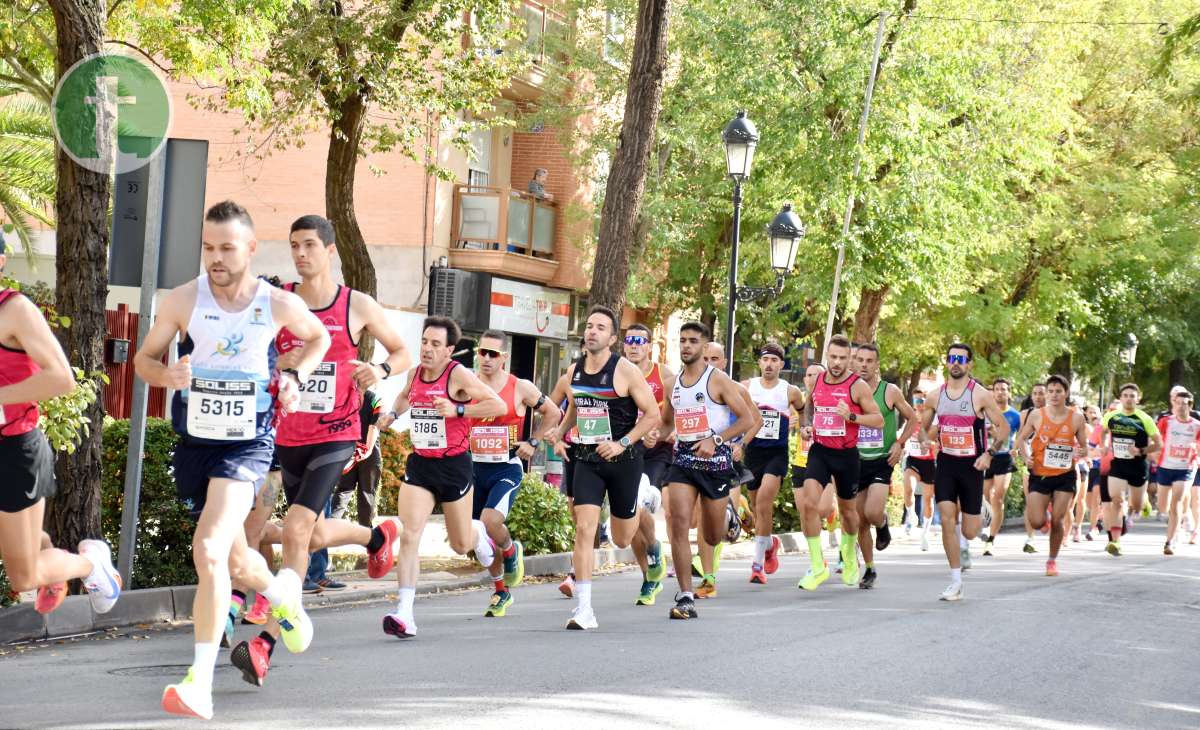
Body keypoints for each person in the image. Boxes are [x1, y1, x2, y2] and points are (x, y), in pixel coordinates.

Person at [133, 201, 330, 719]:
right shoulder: (182, 300)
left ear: (249, 248)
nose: (215, 258)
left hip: (249, 442)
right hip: (198, 442)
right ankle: (283, 595)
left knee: (210, 549)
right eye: (208, 248)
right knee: (238, 561)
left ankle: (200, 681)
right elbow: (143, 360)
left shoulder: (273, 303)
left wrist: (295, 377)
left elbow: (320, 337)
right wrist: (165, 376)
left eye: (226, 248)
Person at [229, 215, 411, 686]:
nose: (300, 254)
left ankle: (266, 642)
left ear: (329, 250)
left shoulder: (357, 304)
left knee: (295, 528)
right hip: (282, 435)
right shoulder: (280, 301)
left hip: (335, 434)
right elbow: (248, 351)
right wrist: (278, 360)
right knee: (277, 532)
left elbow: (401, 351)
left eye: (309, 245)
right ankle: (375, 538)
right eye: (294, 246)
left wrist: (382, 371)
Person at [376, 316, 506, 638]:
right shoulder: (415, 373)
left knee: (461, 545)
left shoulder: (458, 375)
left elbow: (497, 403)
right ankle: (404, 613)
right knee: (410, 534)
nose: (427, 349)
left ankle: (479, 534)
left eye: (436, 344)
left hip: (454, 465)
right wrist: (393, 414)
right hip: (421, 463)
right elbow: (407, 395)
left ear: (449, 350)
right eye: (424, 342)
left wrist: (457, 410)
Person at [0, 278, 122, 620]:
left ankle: (90, 564)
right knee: (20, 546)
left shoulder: (15, 310)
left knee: (21, 575)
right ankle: (48, 564)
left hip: (14, 452)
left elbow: (61, 378)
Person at [548, 306, 660, 630]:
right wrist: (560, 431)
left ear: (612, 338)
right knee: (585, 529)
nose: (592, 331)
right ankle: (584, 610)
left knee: (622, 539)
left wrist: (623, 443)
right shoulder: (574, 372)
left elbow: (651, 414)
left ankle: (641, 497)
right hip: (587, 458)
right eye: (589, 326)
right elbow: (576, 406)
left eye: (600, 328)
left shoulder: (624, 371)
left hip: (623, 461)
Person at [659, 322, 757, 619]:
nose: (686, 346)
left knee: (713, 536)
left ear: (704, 347)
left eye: (693, 341)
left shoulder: (718, 381)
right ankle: (686, 595)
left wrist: (715, 440)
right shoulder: (671, 384)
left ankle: (727, 514)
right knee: (678, 522)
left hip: (715, 463)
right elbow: (667, 421)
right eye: (683, 340)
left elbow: (746, 419)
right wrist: (656, 434)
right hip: (684, 460)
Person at [469, 329, 561, 616]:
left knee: (491, 520)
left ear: (503, 358)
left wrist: (533, 442)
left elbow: (554, 412)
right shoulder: (467, 384)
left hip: (506, 466)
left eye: (492, 354)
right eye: (481, 352)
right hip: (472, 466)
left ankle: (510, 549)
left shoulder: (519, 386)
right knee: (476, 538)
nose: (485, 358)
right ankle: (500, 591)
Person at [919, 342, 1010, 602]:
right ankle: (956, 581)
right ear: (946, 363)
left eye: (961, 359)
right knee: (947, 518)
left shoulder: (980, 395)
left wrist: (989, 454)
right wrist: (925, 438)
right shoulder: (935, 396)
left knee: (970, 531)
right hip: (946, 463)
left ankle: (981, 510)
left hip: (972, 466)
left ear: (969, 364)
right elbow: (923, 427)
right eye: (952, 358)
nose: (956, 363)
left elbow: (1003, 428)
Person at [797, 335, 883, 592]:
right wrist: (806, 426)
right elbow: (809, 406)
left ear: (850, 359)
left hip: (846, 456)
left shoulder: (857, 386)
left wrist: (852, 416)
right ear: (827, 356)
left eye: (842, 358)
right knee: (809, 505)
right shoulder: (818, 380)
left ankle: (848, 558)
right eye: (832, 357)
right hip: (820, 451)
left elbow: (877, 419)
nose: (836, 362)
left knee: (848, 512)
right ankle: (818, 566)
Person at [853, 343, 919, 588]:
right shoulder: (848, 390)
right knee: (860, 520)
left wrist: (900, 443)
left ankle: (882, 524)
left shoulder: (889, 391)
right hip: (856, 460)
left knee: (871, 513)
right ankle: (869, 569)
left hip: (882, 460)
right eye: (860, 360)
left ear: (877, 364)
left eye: (869, 361)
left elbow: (913, 418)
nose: (864, 365)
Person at [1013, 375, 1089, 576]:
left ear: (1066, 393)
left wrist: (1081, 452)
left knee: (1058, 518)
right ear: (1046, 394)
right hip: (1040, 473)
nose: (1054, 395)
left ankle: (1052, 560)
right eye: (1051, 391)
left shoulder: (1076, 418)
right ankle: (1043, 518)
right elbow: (1021, 440)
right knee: (1037, 521)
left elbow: (1084, 447)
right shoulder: (1037, 415)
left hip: (1065, 475)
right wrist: (1026, 457)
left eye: (1058, 391)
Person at [741, 343, 804, 584]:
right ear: (759, 362)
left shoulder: (790, 391)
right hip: (753, 451)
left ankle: (757, 566)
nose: (769, 364)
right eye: (765, 359)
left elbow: (803, 410)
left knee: (765, 502)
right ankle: (769, 544)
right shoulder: (747, 387)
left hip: (777, 453)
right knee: (757, 506)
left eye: (774, 360)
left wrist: (802, 425)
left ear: (781, 364)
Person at [622, 323, 671, 605]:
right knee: (627, 518)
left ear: (649, 346)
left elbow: (677, 410)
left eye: (640, 340)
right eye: (629, 341)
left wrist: (663, 432)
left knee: (640, 505)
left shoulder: (663, 374)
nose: (634, 345)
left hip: (656, 452)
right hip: (628, 449)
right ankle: (648, 577)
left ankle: (653, 548)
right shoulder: (617, 373)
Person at [1099, 383, 1161, 556]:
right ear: (1120, 398)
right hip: (1118, 465)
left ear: (1138, 398)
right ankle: (1116, 542)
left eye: (1132, 396)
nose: (1128, 399)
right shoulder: (1112, 416)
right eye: (1125, 395)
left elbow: (1159, 444)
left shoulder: (1145, 419)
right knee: (1116, 501)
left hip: (1138, 467)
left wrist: (1140, 451)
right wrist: (1103, 445)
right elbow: (1103, 431)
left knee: (1136, 505)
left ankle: (1144, 500)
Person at [1154, 389, 1200, 555]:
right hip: (1165, 467)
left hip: (1185, 468)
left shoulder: (1196, 426)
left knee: (1177, 502)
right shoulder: (1166, 422)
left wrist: (1197, 449)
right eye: (1178, 403)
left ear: (1190, 406)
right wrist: (1153, 453)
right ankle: (1177, 522)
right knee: (1163, 506)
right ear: (1173, 404)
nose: (1181, 407)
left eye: (1185, 404)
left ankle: (1170, 541)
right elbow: (1156, 440)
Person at [332, 387, 384, 527]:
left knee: (343, 489)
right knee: (366, 493)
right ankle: (366, 533)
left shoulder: (343, 396)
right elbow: (374, 427)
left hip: (347, 449)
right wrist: (367, 450)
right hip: (369, 452)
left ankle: (330, 525)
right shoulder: (375, 399)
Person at [981, 379, 1022, 555]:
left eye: (1003, 390)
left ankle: (991, 540)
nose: (1000, 392)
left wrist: (1017, 449)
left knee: (997, 497)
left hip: (1004, 459)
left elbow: (1021, 438)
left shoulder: (1015, 415)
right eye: (997, 389)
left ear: (1009, 393)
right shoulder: (984, 412)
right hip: (986, 458)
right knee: (984, 496)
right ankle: (987, 522)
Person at [1015, 383, 1048, 553]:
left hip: (1051, 464)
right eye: (1035, 393)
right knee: (1031, 500)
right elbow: (1021, 438)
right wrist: (1025, 457)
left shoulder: (1054, 414)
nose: (1038, 397)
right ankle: (1030, 538)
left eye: (1041, 393)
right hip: (1031, 463)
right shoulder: (1025, 414)